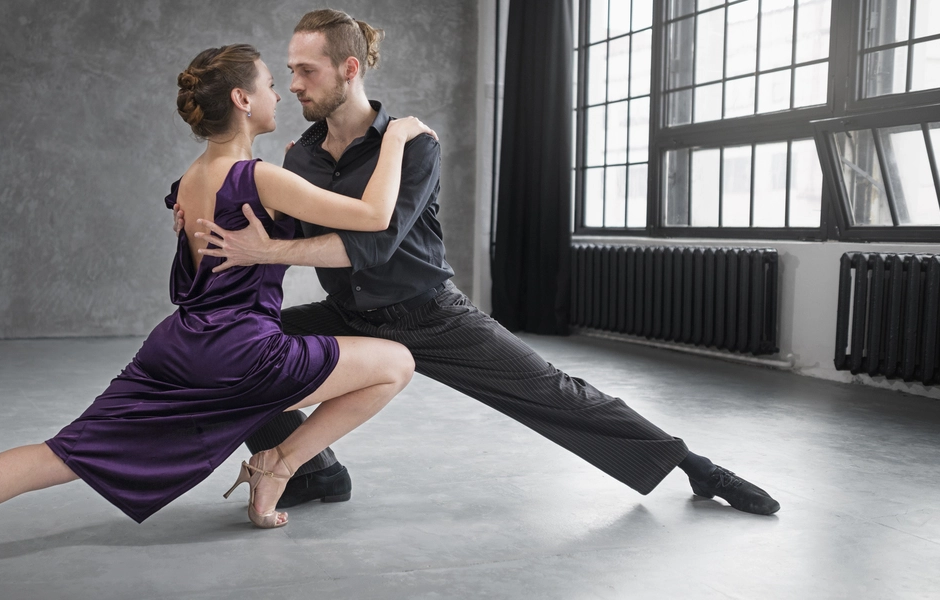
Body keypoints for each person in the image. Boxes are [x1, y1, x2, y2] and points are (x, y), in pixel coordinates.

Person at [0, 43, 439, 567]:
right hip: (242, 352)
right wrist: (398, 138)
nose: (280, 94)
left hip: (178, 346)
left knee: (56, 455)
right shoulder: (260, 177)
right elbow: (374, 217)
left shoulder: (190, 179)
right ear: (244, 101)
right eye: (272, 84)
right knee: (397, 363)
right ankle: (280, 462)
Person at [186, 9, 781, 516]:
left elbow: (375, 244)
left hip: (427, 315)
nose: (293, 84)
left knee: (557, 393)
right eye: (289, 71)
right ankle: (315, 473)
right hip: (348, 313)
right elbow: (279, 229)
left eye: (306, 70)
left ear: (349, 69)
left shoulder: (414, 144)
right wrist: (199, 209)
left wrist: (268, 249)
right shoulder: (302, 157)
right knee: (231, 353)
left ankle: (696, 467)